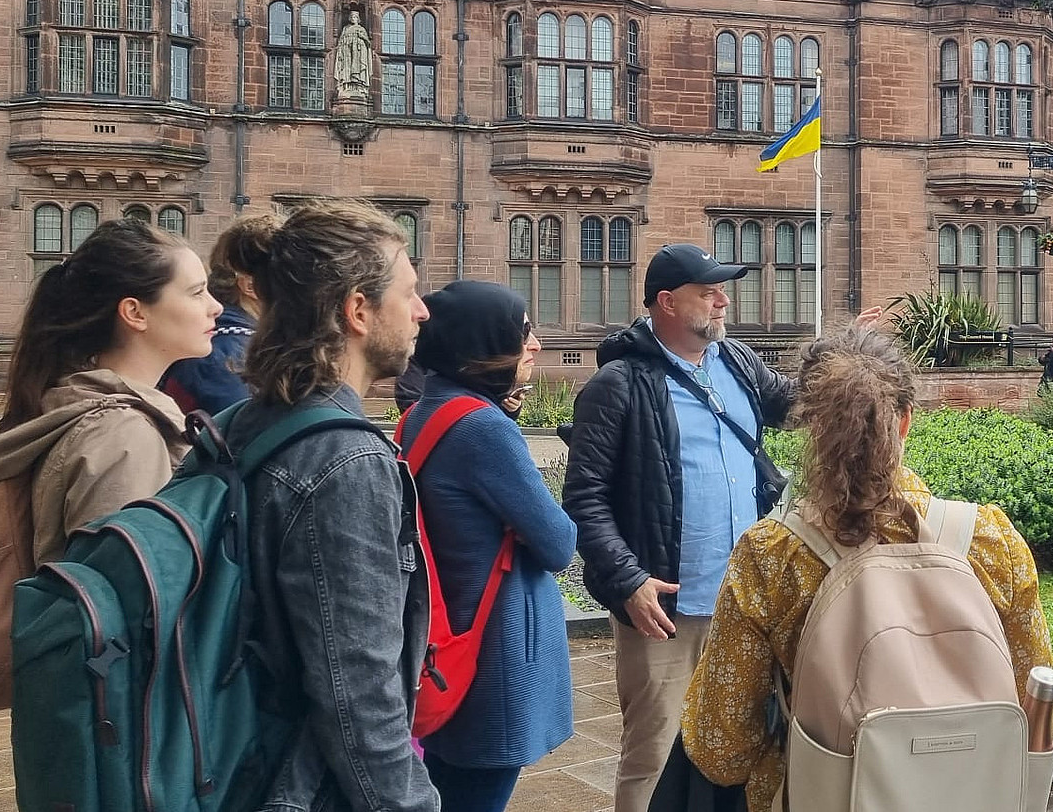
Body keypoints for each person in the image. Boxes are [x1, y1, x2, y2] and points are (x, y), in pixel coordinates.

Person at [679, 328, 1053, 810]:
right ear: (905, 422)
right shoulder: (989, 540)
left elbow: (720, 747)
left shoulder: (772, 556)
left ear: (811, 426)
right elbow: (1039, 700)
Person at [563, 243, 797, 812]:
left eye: (723, 290)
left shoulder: (737, 362)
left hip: (746, 601)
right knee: (655, 752)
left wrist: (842, 355)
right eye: (708, 292)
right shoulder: (619, 384)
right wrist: (626, 579)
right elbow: (584, 498)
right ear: (666, 303)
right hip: (667, 609)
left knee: (747, 744)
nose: (723, 301)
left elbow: (793, 404)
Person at [229, 199, 438, 812]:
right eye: (408, 293)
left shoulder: (243, 420)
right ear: (357, 310)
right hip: (307, 790)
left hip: (239, 762)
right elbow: (359, 694)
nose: (422, 311)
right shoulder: (345, 462)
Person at [399, 281, 576, 812]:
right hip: (493, 656)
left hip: (446, 645)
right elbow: (560, 542)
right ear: (482, 348)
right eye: (522, 333)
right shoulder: (482, 427)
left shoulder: (421, 413)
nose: (536, 345)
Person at [0, 219, 218, 562]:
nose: (215, 306)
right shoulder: (123, 436)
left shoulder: (72, 399)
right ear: (135, 313)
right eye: (197, 292)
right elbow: (124, 594)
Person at [160, 213, 279, 414]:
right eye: (287, 275)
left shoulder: (231, 341)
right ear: (250, 286)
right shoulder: (226, 356)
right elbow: (247, 439)